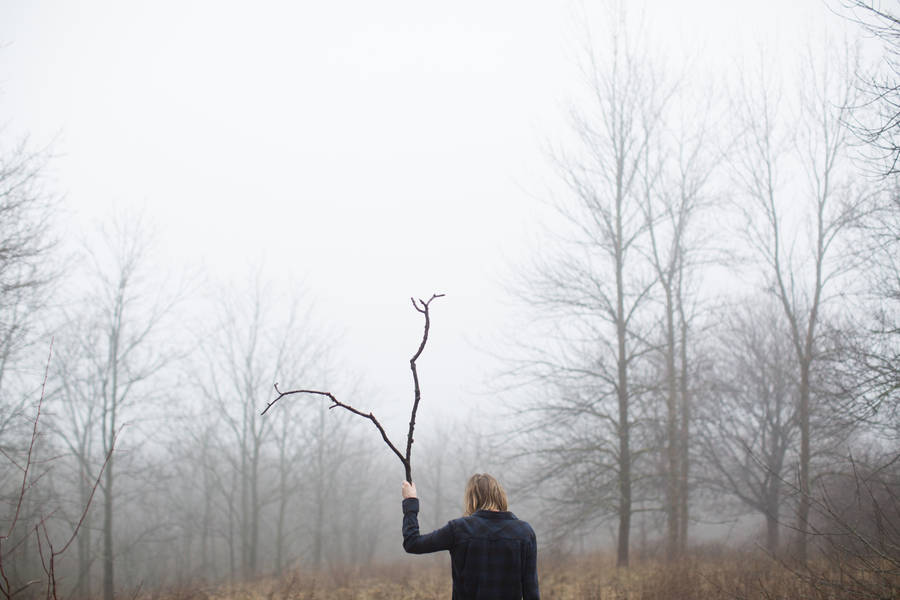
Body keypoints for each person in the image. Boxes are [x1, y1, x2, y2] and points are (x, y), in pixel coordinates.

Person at [401, 473, 540, 600]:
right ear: (499, 495)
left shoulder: (458, 529)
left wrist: (410, 501)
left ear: (472, 498)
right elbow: (531, 592)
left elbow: (413, 543)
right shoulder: (525, 533)